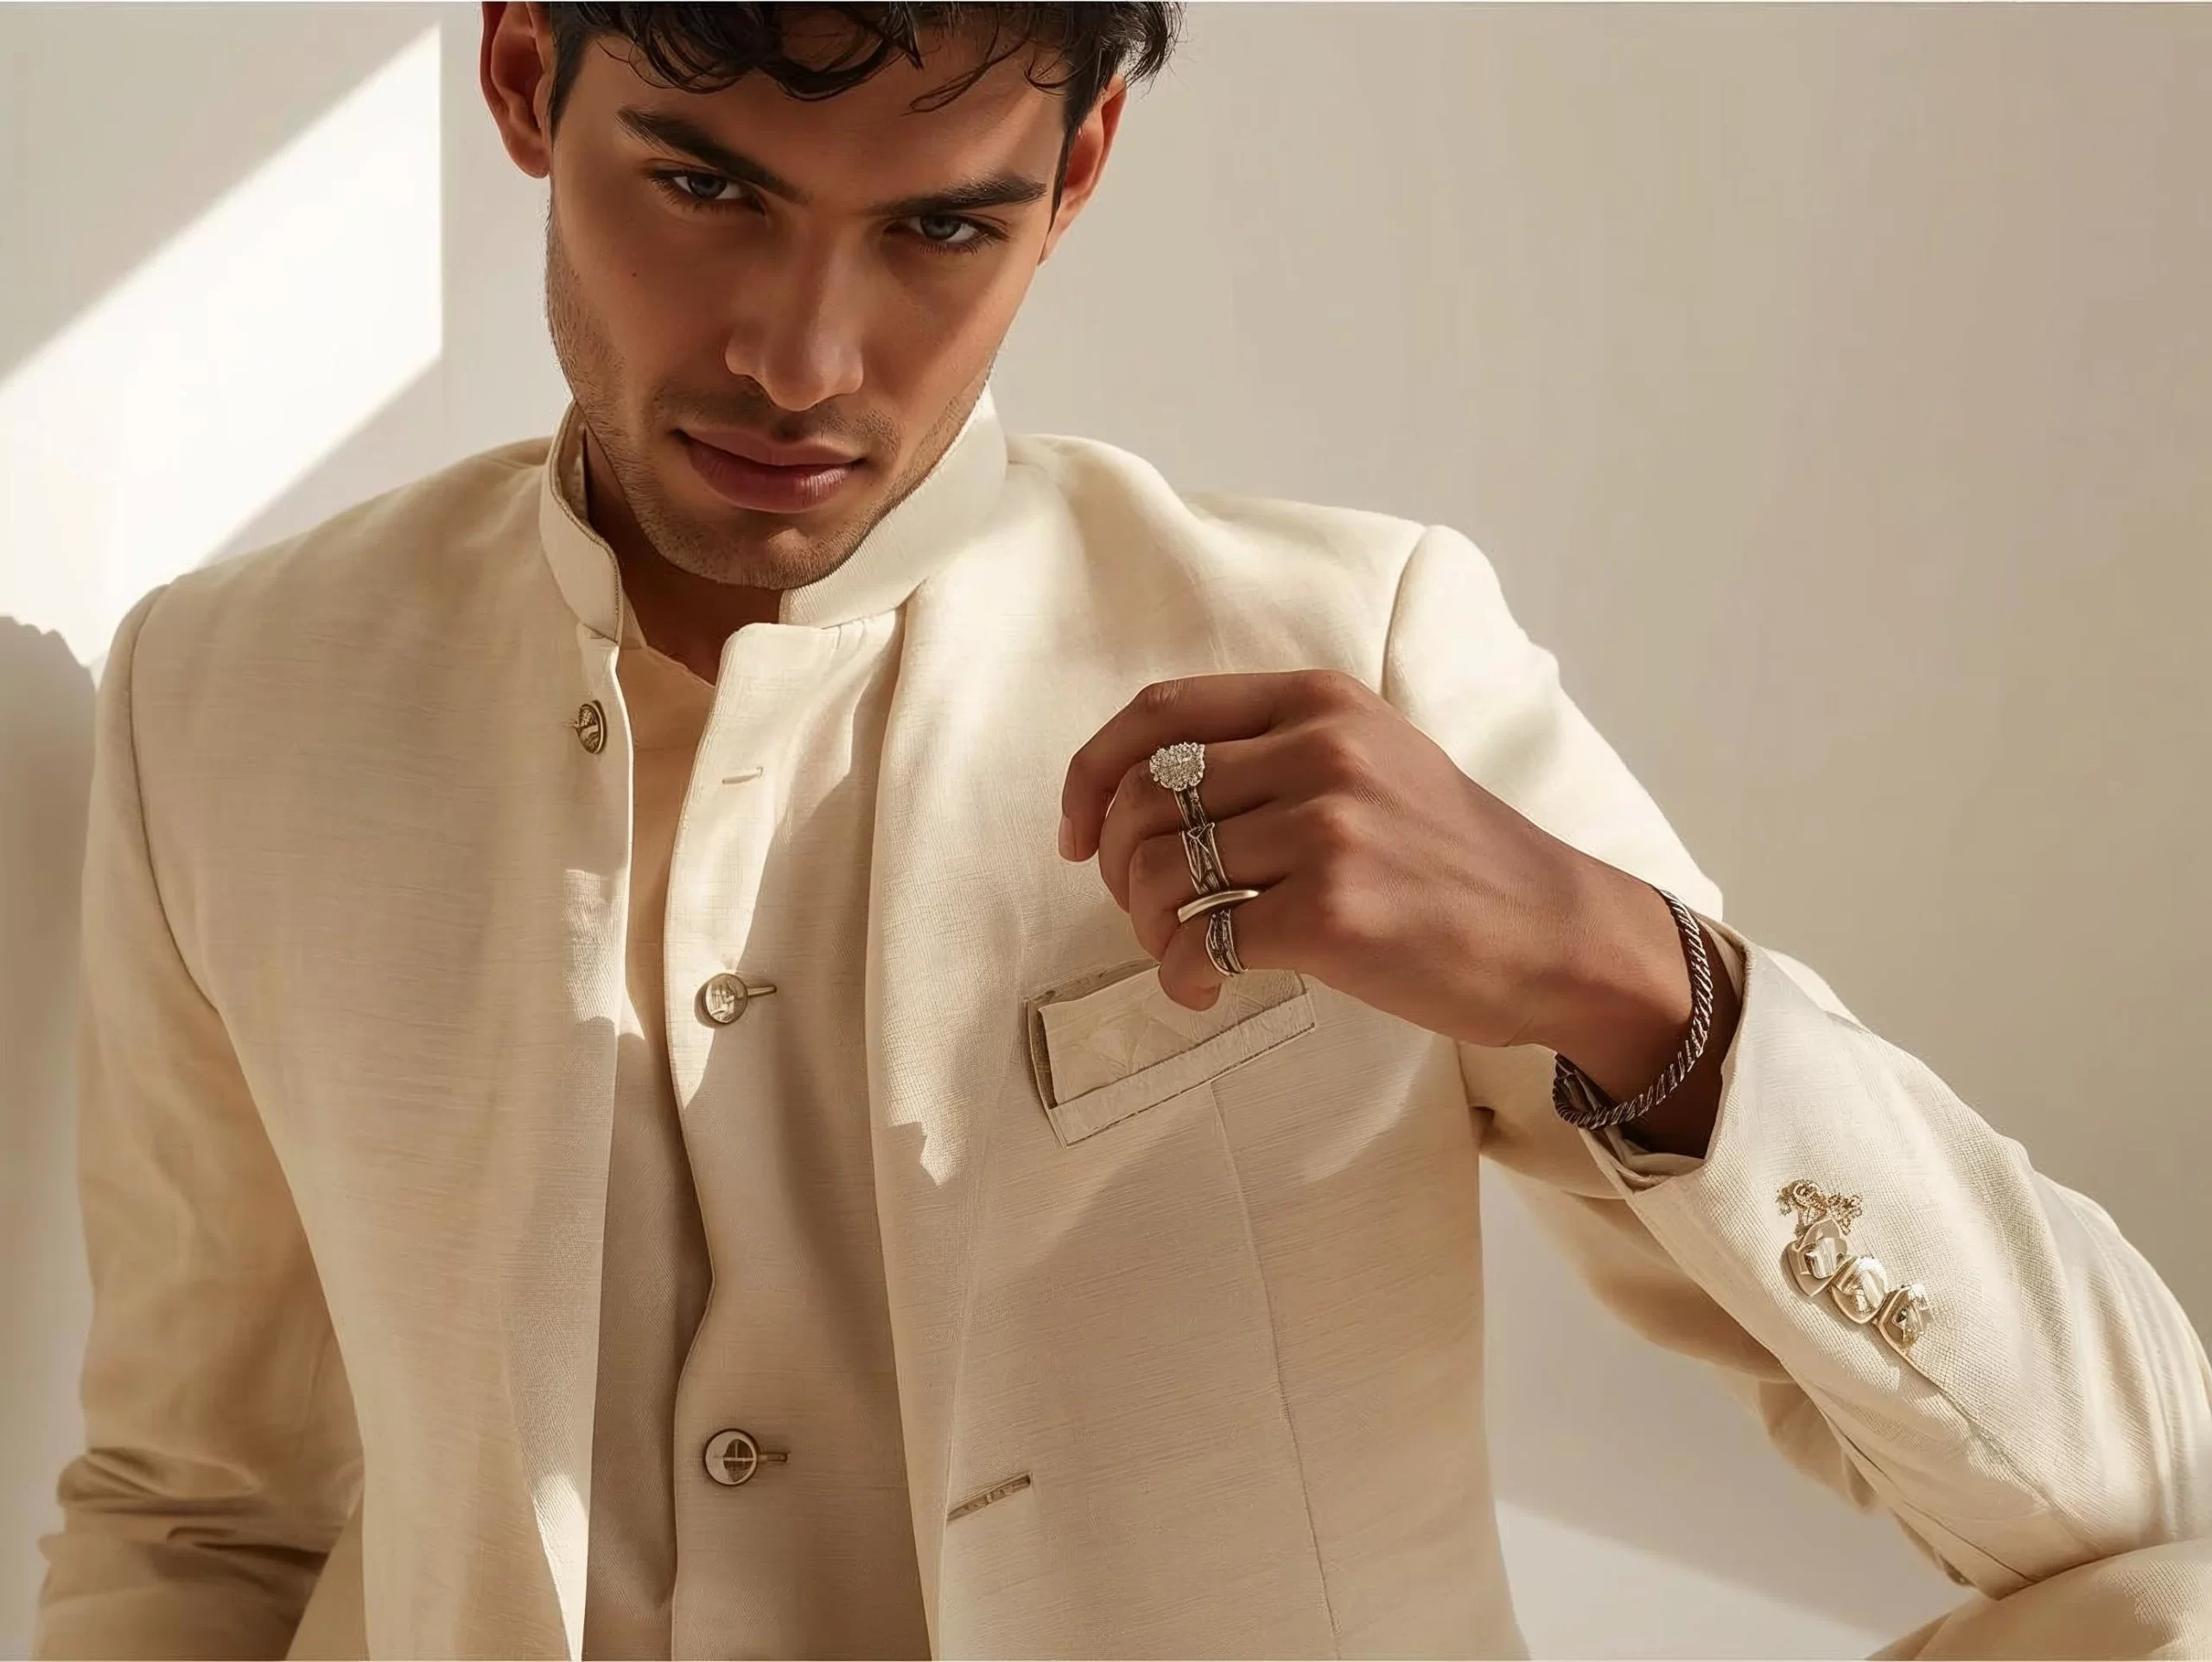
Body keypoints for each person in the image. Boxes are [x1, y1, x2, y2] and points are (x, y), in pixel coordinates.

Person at [32, 4, 2212, 1658]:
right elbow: (200, 1502)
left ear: (1076, 169)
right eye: (703, 189)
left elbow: (2139, 1486)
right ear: (521, 76)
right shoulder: (236, 695)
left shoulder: (1345, 647)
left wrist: (1625, 970)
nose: (800, 356)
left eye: (940, 227)